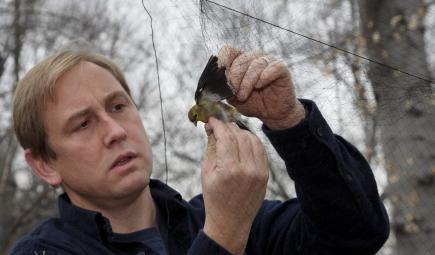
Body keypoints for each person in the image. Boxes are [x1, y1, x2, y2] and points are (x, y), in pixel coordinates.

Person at [10, 45, 389, 255]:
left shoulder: (230, 219)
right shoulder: (43, 253)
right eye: (83, 123)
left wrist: (291, 122)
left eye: (118, 106)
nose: (114, 131)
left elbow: (355, 234)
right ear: (44, 164)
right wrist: (223, 234)